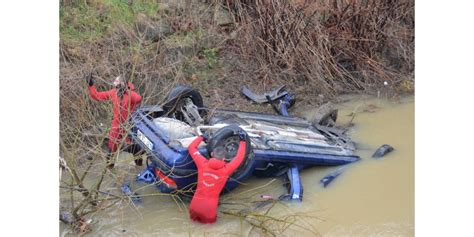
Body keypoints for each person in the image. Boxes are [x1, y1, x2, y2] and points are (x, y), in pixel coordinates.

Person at [187, 131, 248, 224]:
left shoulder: (202, 163)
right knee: (209, 230)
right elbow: (239, 157)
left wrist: (202, 137)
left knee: (192, 225)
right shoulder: (227, 169)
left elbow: (191, 148)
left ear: (212, 154)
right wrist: (243, 141)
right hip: (209, 208)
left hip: (194, 205)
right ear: (224, 158)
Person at [86, 73, 142, 167]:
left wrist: (126, 90)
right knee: (112, 147)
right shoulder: (113, 92)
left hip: (129, 125)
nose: (113, 82)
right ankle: (110, 167)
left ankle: (139, 165)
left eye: (116, 81)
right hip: (116, 125)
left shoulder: (130, 94)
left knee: (132, 147)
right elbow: (97, 96)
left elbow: (139, 99)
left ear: (122, 83)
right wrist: (91, 85)